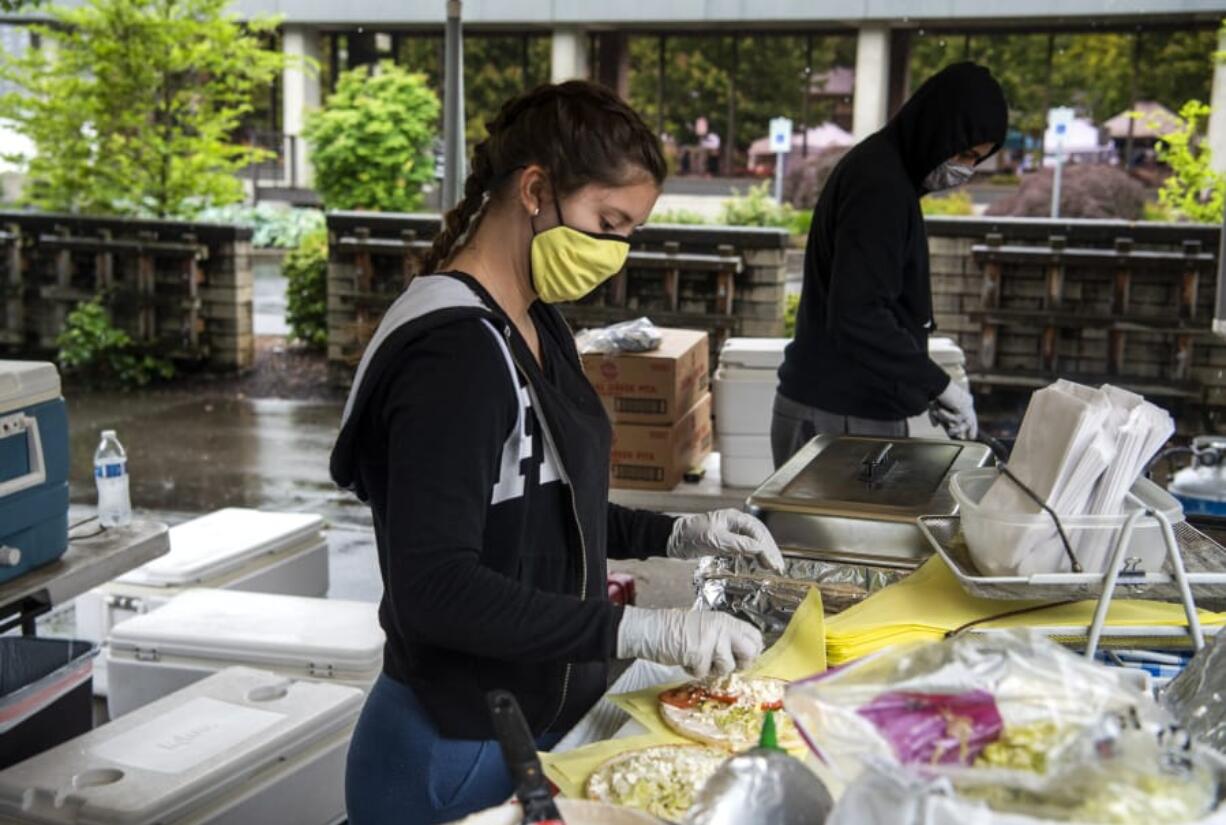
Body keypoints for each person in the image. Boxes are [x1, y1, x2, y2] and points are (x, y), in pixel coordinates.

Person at [330, 80, 783, 825]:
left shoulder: (534, 323)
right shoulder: (453, 355)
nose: (615, 253)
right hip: (451, 750)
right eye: (608, 222)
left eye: (628, 232)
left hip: (525, 720)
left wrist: (676, 532)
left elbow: (543, 505)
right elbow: (435, 587)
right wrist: (637, 629)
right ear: (535, 189)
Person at [772, 62, 1008, 468]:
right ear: (939, 129)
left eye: (977, 161)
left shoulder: (886, 174)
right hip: (839, 416)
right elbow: (859, 315)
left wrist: (917, 387)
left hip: (852, 411)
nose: (965, 170)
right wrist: (939, 386)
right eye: (965, 154)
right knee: (839, 535)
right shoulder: (880, 187)